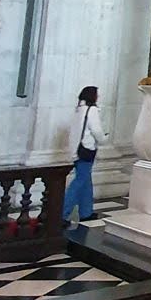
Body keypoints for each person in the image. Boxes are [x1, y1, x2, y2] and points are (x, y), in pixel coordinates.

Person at [65, 86, 106, 227]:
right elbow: (96, 129)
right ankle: (62, 213)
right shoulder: (91, 110)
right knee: (80, 181)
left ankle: (86, 212)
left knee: (86, 181)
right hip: (86, 148)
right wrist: (103, 139)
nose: (98, 97)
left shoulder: (79, 109)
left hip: (76, 149)